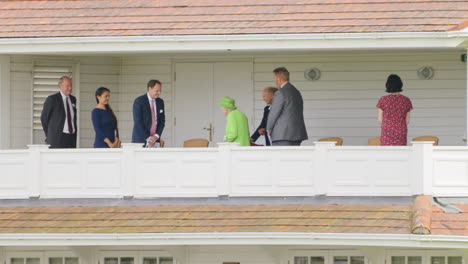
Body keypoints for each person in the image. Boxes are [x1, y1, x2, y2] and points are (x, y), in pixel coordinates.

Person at [266, 67, 308, 146]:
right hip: (297, 133)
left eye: (275, 78)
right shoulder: (296, 92)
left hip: (282, 134)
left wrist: (268, 129)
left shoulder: (280, 93)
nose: (275, 81)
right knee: (294, 158)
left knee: (282, 157)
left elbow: (274, 113)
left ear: (278, 78)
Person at [40, 76, 77, 148]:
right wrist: (49, 134)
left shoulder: (73, 99)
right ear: (60, 86)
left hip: (71, 138)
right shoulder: (52, 99)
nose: (70, 88)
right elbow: (44, 118)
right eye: (67, 86)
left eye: (71, 86)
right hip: (57, 138)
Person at [377, 74, 413, 146]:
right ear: (400, 85)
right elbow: (407, 121)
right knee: (401, 152)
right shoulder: (406, 100)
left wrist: (388, 126)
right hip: (401, 131)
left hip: (387, 131)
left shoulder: (383, 100)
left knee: (387, 153)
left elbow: (380, 120)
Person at [132, 79, 165, 147]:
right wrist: (148, 138)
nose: (159, 93)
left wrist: (156, 136)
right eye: (157, 91)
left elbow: (162, 121)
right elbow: (138, 122)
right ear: (150, 89)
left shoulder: (160, 102)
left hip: (155, 141)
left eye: (160, 91)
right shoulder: (139, 101)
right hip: (141, 140)